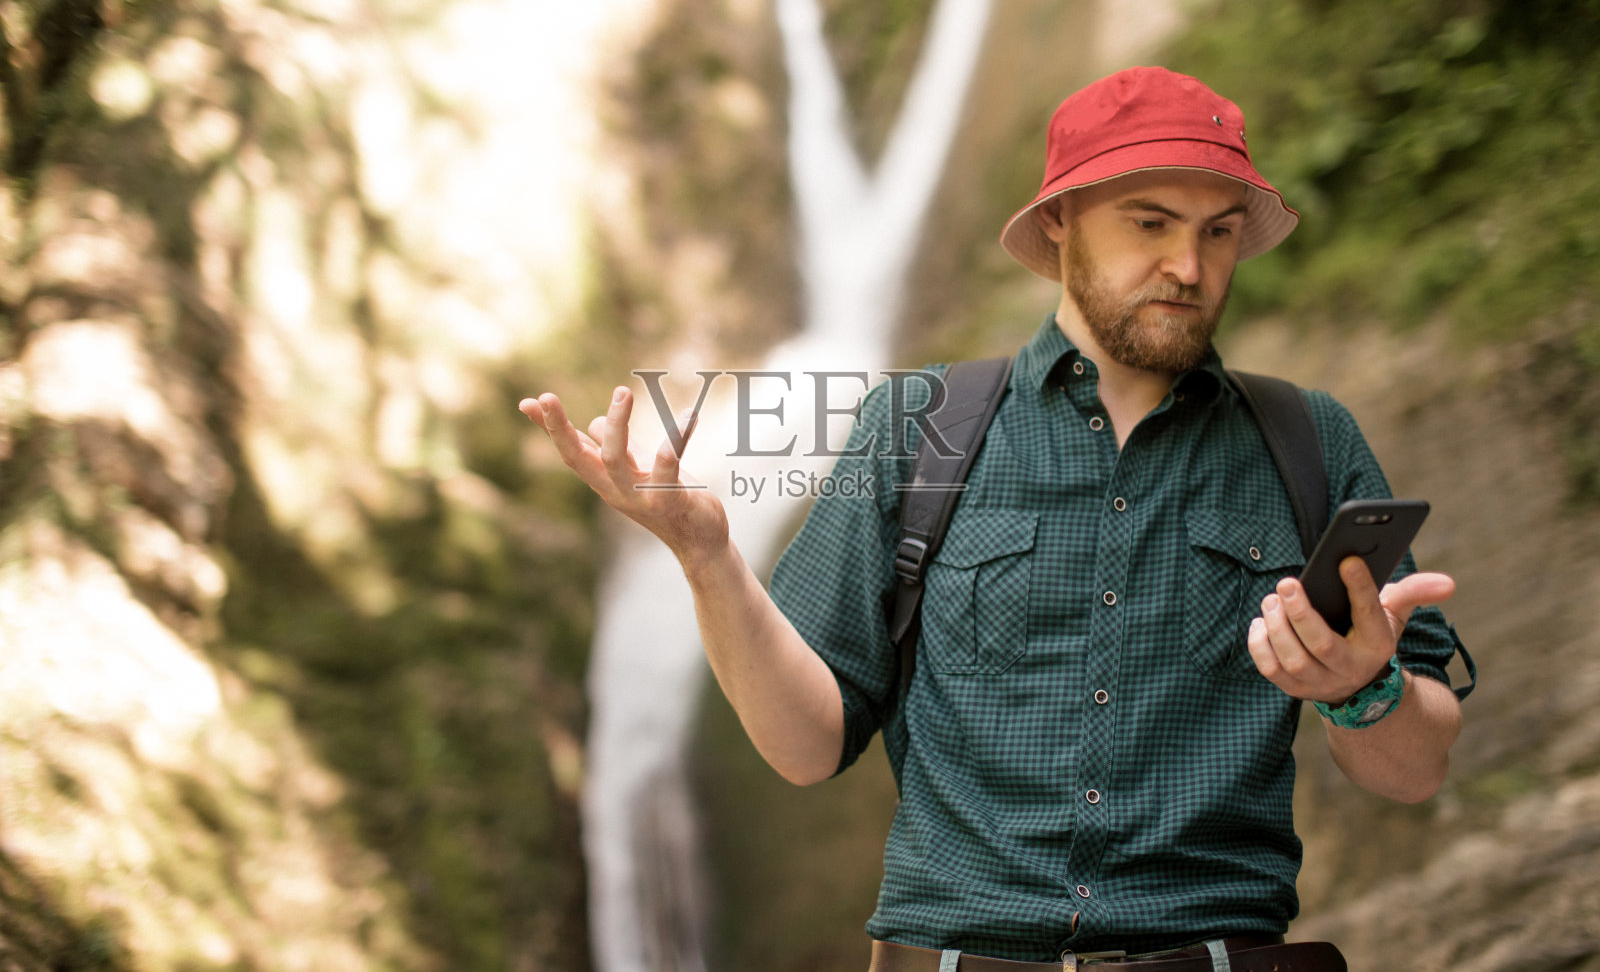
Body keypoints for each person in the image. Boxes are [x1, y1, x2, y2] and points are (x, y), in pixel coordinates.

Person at [520, 66, 1469, 970]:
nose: (1188, 265)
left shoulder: (1308, 440)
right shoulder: (915, 427)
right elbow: (805, 746)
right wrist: (707, 558)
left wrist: (1365, 686)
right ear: (1060, 220)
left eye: (1218, 232)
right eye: (1150, 222)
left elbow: (1415, 768)